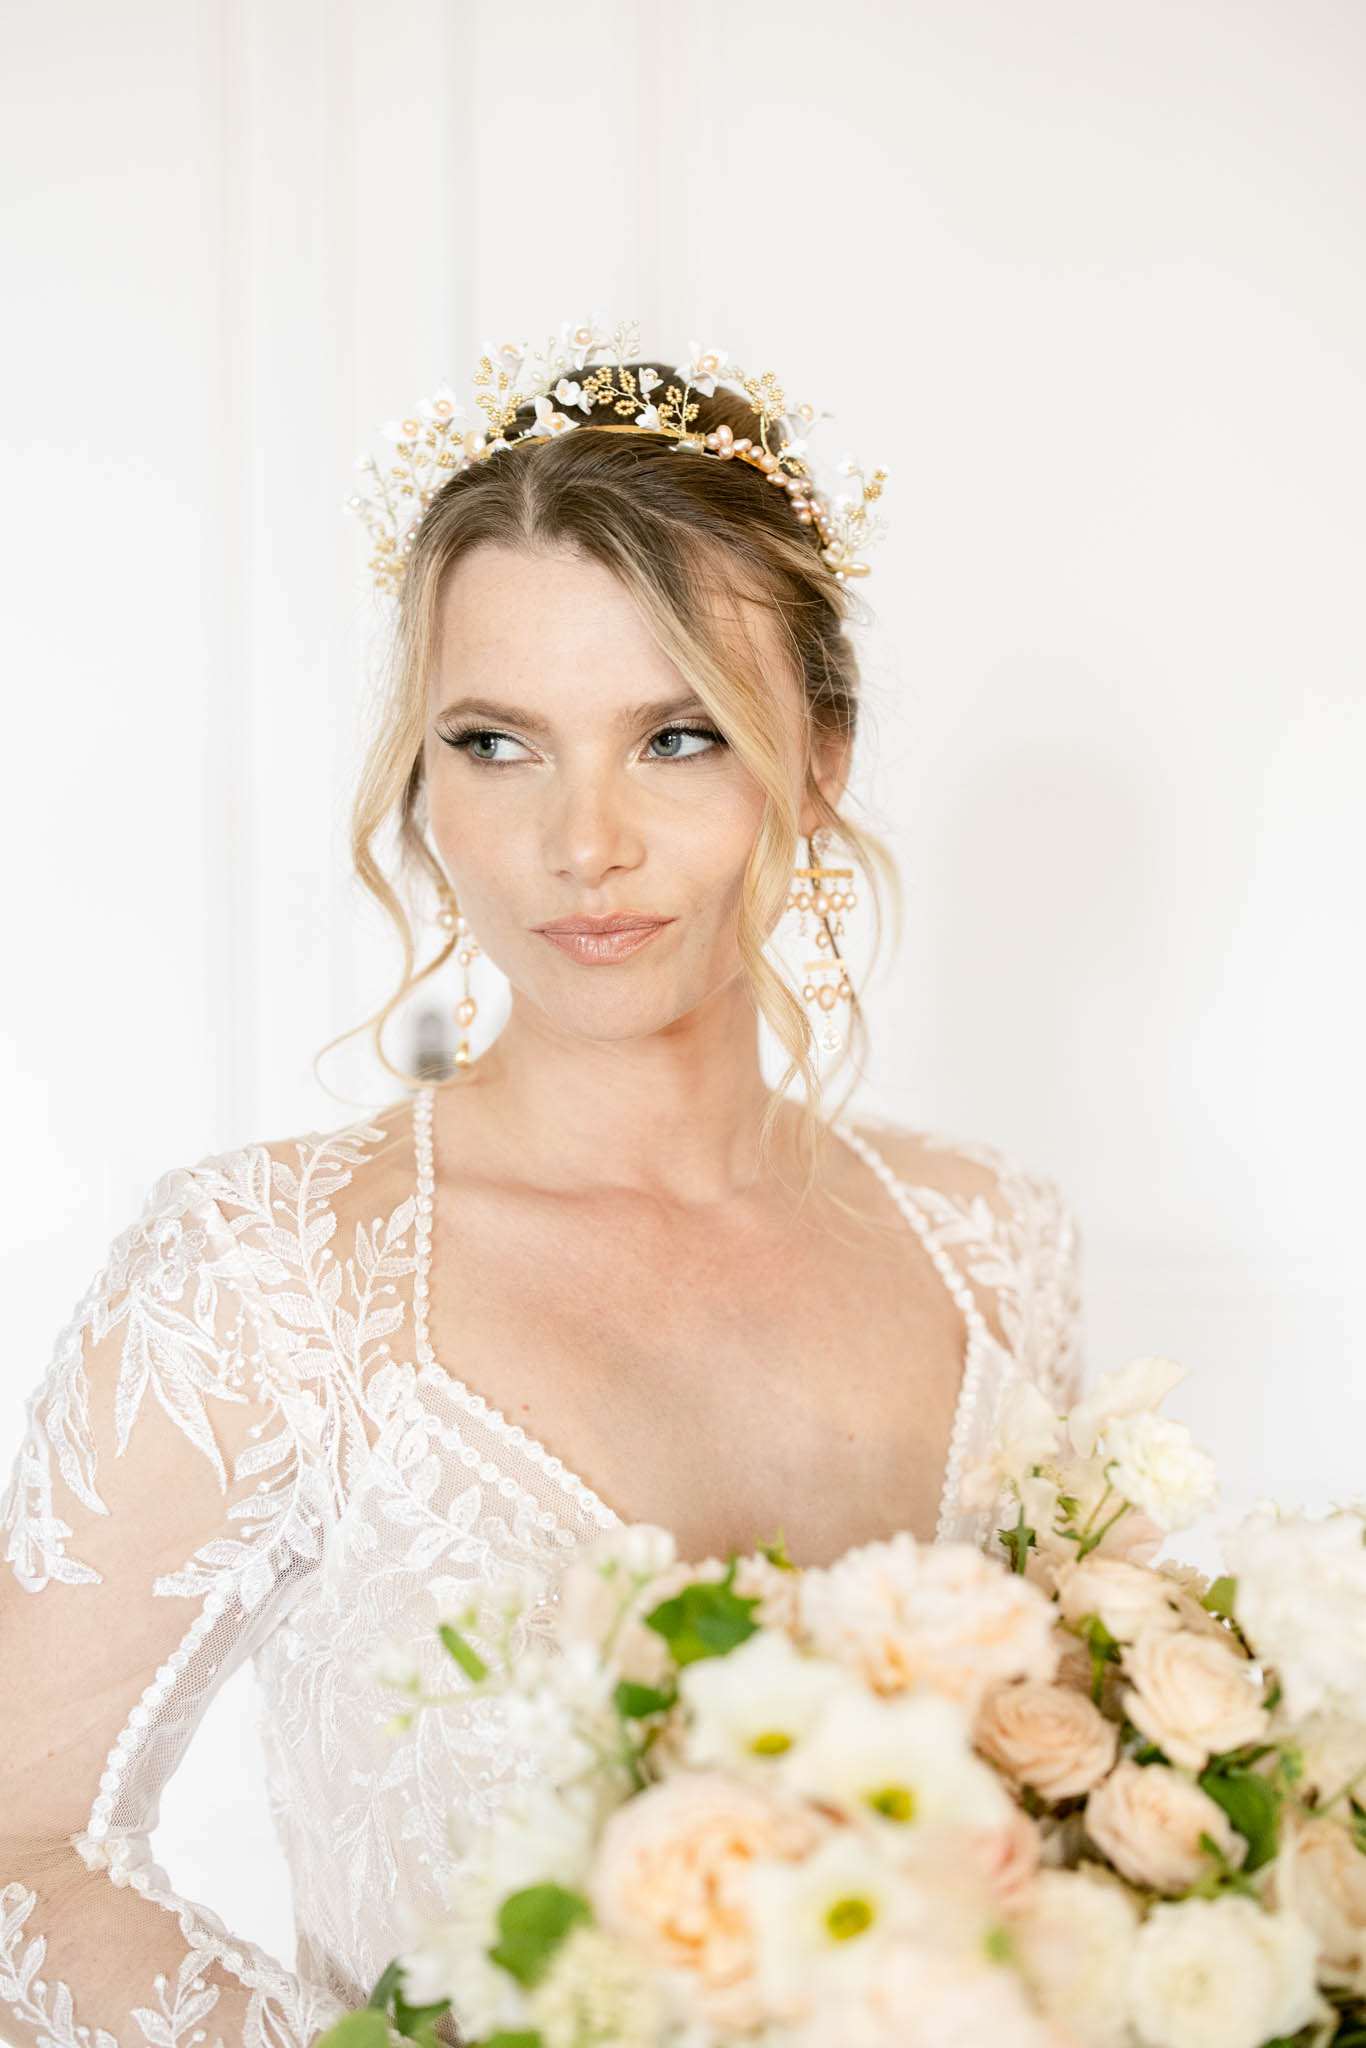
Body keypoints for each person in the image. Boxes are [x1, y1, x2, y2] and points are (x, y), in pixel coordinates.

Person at [0, 328, 1088, 2048]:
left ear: (816, 759)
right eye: (496, 745)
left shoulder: (991, 1247)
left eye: (674, 738)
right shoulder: (267, 1277)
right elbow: (24, 1843)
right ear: (419, 779)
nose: (583, 844)